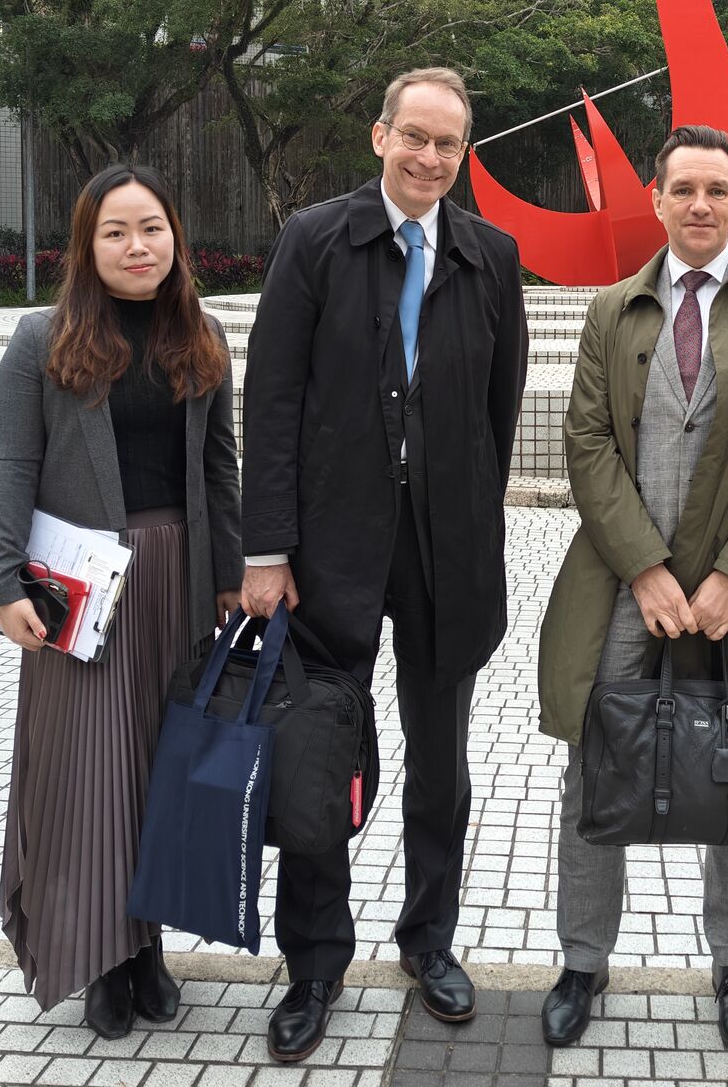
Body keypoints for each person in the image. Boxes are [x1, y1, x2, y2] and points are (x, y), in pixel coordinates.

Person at [240, 66, 528, 1063]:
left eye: (449, 144)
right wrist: (267, 550)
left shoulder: (490, 254)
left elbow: (500, 406)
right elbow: (270, 400)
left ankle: (429, 939)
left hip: (446, 548)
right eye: (415, 136)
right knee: (316, 756)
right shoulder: (316, 240)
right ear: (379, 137)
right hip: (333, 546)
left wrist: (466, 508)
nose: (430, 157)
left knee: (439, 765)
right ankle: (313, 961)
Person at [536, 124, 728, 1056]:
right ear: (655, 199)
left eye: (719, 189)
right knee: (596, 768)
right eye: (684, 188)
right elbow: (587, 444)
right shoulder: (612, 310)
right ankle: (583, 960)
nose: (701, 205)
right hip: (626, 588)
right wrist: (647, 568)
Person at [0, 164, 244, 1038]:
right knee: (86, 772)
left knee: (158, 772)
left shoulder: (201, 334)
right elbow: (15, 468)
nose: (138, 247)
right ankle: (99, 958)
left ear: (176, 238)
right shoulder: (41, 339)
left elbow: (218, 466)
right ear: (86, 246)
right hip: (80, 586)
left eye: (153, 230)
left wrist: (229, 576)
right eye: (116, 233)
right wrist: (1, 583)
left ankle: (149, 950)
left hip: (176, 578)